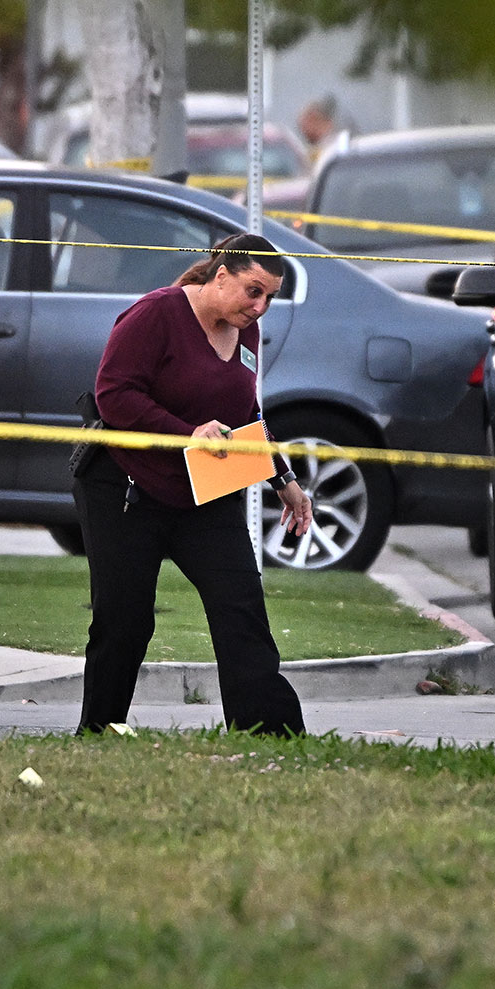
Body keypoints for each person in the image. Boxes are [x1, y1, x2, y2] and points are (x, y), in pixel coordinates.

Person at [76, 233, 313, 736]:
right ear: (220, 275)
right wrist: (188, 434)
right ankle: (98, 734)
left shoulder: (243, 328)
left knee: (241, 606)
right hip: (126, 487)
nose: (261, 306)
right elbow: (113, 396)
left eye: (270, 296)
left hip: (203, 491)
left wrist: (283, 479)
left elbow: (245, 413)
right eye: (254, 291)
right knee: (125, 622)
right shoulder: (155, 315)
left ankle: (269, 734)